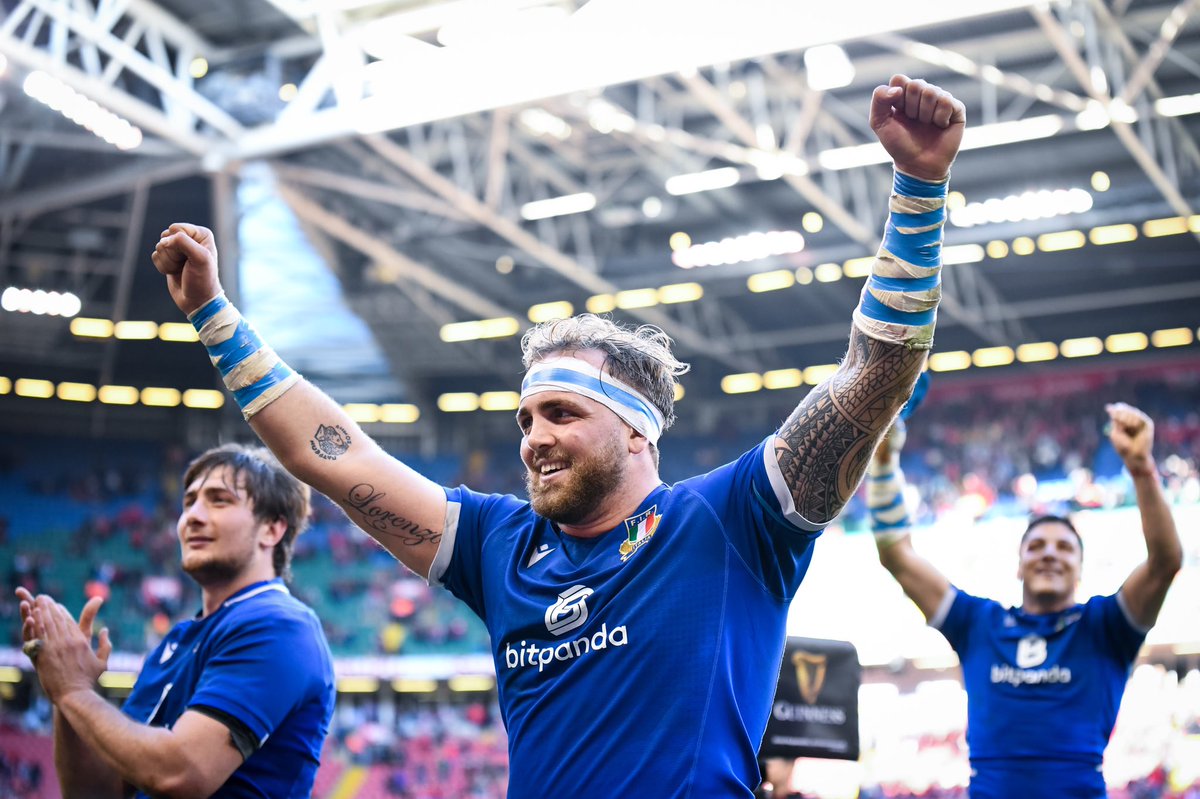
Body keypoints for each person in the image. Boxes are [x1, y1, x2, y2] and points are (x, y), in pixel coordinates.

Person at [150, 74, 964, 797]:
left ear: (638, 431)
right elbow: (329, 453)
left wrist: (919, 189)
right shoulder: (499, 546)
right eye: (526, 418)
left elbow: (872, 377)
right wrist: (214, 315)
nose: (533, 438)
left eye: (563, 413)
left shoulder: (729, 521)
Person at [866, 402, 1182, 798]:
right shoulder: (979, 624)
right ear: (1018, 565)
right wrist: (883, 461)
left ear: (1080, 569)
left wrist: (1141, 469)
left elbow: (1166, 561)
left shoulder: (1105, 626)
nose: (1049, 553)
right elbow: (897, 555)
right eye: (1036, 546)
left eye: (1064, 547)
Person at [17, 444, 336, 799]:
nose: (192, 517)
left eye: (219, 500)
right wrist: (70, 696)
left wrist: (73, 691)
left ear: (272, 530)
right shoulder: (178, 641)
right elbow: (93, 794)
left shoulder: (280, 626)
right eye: (189, 502)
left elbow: (182, 774)